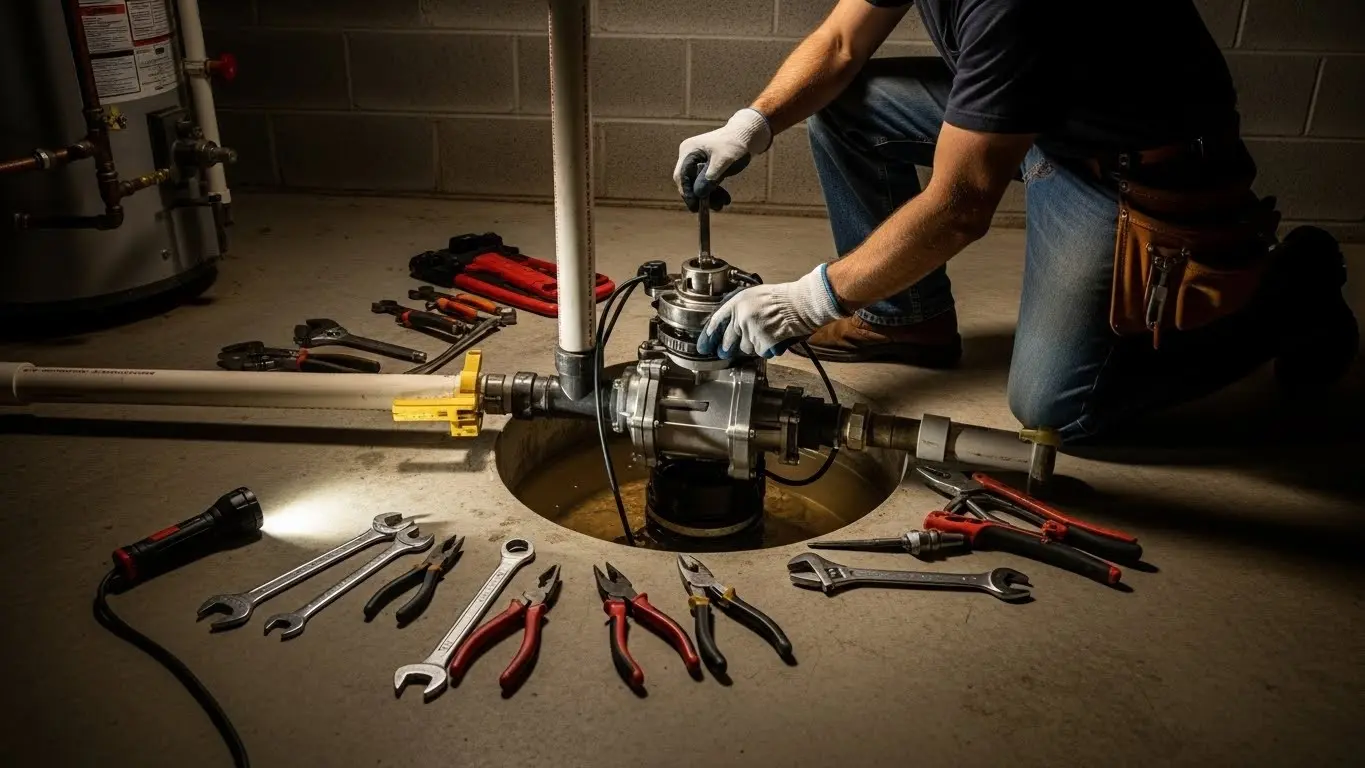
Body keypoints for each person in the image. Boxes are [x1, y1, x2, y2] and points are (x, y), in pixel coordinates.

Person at [674, 0, 1357, 443]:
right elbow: (839, 42)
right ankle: (905, 316)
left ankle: (1291, 293)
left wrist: (810, 297)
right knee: (848, 107)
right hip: (1046, 119)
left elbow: (960, 204)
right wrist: (752, 124)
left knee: (1057, 410)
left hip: (1121, 166)